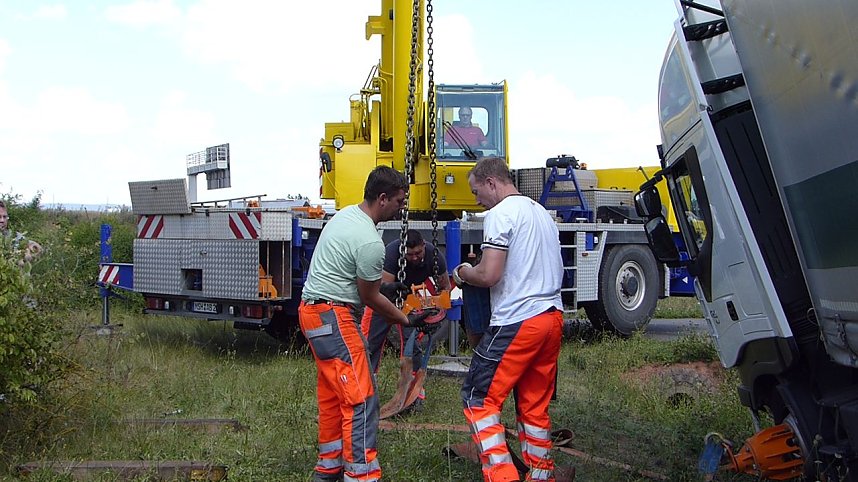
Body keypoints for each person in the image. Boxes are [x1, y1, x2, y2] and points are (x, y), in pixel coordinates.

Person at [298, 166, 433, 482]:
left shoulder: (346, 216)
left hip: (313, 313)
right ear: (383, 198)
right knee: (361, 398)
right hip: (334, 317)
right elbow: (370, 298)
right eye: (399, 201)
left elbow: (351, 278)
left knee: (334, 394)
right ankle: (361, 475)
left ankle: (329, 468)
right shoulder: (371, 242)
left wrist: (384, 289)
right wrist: (405, 318)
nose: (402, 208)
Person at [453, 157, 564, 482]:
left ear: (491, 183)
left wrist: (463, 273)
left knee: (478, 398)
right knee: (533, 405)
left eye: (476, 192)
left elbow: (489, 274)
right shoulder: (539, 212)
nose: (476, 201)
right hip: (551, 318)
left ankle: (502, 476)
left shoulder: (501, 214)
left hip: (519, 320)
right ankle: (541, 474)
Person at [361, 229, 450, 373]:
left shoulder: (434, 256)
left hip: (411, 301)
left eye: (418, 253)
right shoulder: (391, 254)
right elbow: (382, 291)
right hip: (384, 299)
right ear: (403, 250)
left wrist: (438, 312)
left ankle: (413, 387)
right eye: (410, 254)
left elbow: (445, 287)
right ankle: (366, 383)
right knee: (370, 343)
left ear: (423, 245)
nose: (414, 258)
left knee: (412, 346)